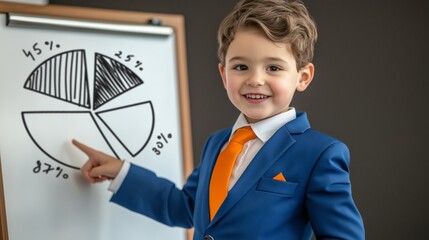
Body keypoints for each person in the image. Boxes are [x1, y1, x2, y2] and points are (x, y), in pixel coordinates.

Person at [72, 0, 365, 239]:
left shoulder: (319, 154)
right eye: (241, 66)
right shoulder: (218, 143)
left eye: (273, 68)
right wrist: (121, 173)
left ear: (302, 77)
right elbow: (186, 207)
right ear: (224, 75)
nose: (255, 79)